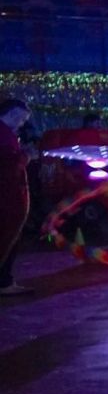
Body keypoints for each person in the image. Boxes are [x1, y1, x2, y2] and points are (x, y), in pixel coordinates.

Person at [0, 99, 32, 296]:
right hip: (7, 197)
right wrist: (26, 156)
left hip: (10, 195)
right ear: (12, 114)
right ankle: (4, 282)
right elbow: (8, 167)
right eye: (21, 118)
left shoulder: (7, 134)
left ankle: (5, 280)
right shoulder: (3, 136)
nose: (22, 123)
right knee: (6, 237)